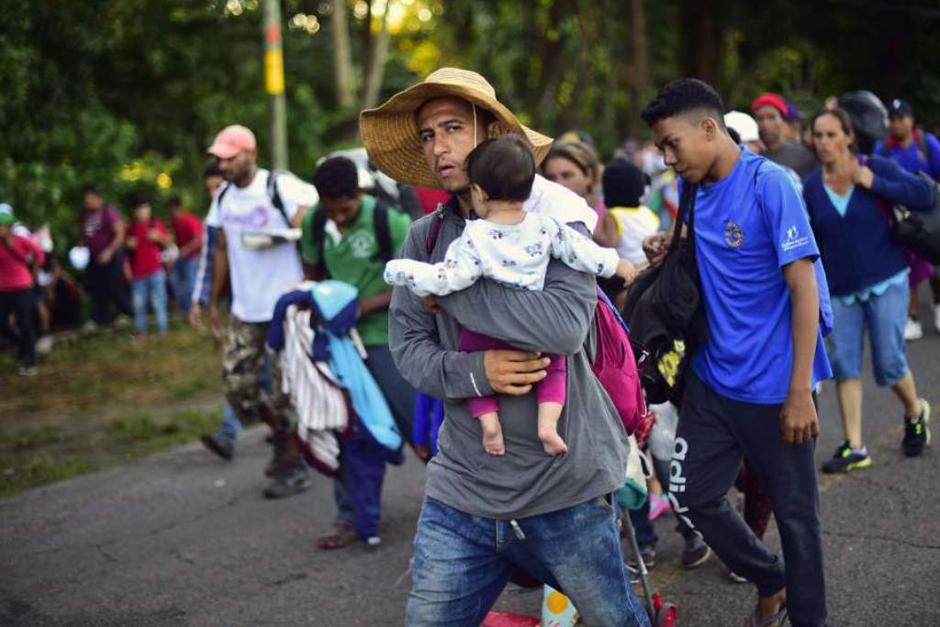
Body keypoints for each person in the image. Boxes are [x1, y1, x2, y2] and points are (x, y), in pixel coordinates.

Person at [361, 67, 649, 626]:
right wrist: (477, 371)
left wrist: (449, 294)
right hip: (462, 492)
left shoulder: (553, 223)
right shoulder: (425, 237)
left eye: (452, 128)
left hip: (565, 488)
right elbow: (409, 347)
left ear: (491, 133)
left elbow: (563, 328)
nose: (438, 147)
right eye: (427, 135)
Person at [642, 78, 832, 627]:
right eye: (661, 148)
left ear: (708, 128)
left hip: (775, 386)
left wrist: (799, 391)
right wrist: (671, 245)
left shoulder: (770, 184)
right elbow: (716, 253)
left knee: (797, 520)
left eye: (672, 143)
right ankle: (770, 578)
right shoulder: (695, 188)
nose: (668, 158)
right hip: (711, 379)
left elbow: (803, 287)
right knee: (691, 495)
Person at [386, 136, 637, 457]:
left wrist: (404, 271)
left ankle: (489, 424)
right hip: (537, 330)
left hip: (485, 333)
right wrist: (618, 264)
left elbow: (452, 277)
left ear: (479, 193)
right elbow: (585, 254)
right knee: (555, 368)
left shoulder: (472, 235)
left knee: (470, 354)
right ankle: (548, 425)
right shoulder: (547, 227)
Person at [803, 107, 932, 473]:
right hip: (840, 289)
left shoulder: (875, 166)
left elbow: (923, 193)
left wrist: (873, 182)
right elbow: (813, 241)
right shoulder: (811, 187)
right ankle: (856, 447)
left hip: (886, 278)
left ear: (848, 137)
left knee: (889, 362)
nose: (823, 142)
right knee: (844, 366)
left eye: (831, 135)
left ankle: (915, 411)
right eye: (818, 135)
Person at [300, 155, 416, 549]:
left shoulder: (389, 222)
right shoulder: (314, 223)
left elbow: (412, 282)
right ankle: (349, 515)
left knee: (414, 422)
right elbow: (312, 277)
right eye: (330, 210)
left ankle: (466, 508)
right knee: (346, 428)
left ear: (360, 194)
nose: (339, 218)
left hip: (385, 336)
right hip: (340, 344)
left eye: (346, 210)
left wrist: (365, 306)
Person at [204, 124, 318, 497]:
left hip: (284, 306)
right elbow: (221, 248)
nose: (223, 165)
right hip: (245, 309)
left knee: (285, 390)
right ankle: (284, 438)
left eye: (230, 158)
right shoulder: (223, 197)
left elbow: (313, 224)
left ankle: (294, 463)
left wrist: (297, 243)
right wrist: (212, 299)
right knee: (238, 386)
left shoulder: (278, 186)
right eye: (219, 159)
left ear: (251, 154)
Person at [872, 98, 940, 340]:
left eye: (901, 118)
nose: (897, 123)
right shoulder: (883, 149)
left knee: (936, 267)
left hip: (931, 214)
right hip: (902, 219)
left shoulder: (926, 144)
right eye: (892, 119)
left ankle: (938, 304)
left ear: (911, 119)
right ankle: (912, 317)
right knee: (910, 270)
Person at [542, 139, 621, 248]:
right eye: (551, 178)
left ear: (589, 175)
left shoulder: (611, 215)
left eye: (567, 175)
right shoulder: (539, 216)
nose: (559, 184)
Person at [0, 207, 45, 375]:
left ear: (8, 227)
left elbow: (39, 254)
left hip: (22, 287)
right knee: (2, 323)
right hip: (3, 289)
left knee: (25, 323)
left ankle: (31, 361)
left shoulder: (20, 240)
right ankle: (22, 345)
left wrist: (34, 273)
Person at [81, 185, 133, 326]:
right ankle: (99, 319)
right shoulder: (86, 215)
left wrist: (109, 252)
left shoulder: (108, 212)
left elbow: (120, 234)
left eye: (90, 198)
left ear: (98, 198)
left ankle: (127, 312)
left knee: (114, 286)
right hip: (95, 256)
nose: (87, 201)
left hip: (112, 255)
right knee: (97, 288)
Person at [125, 194, 170, 340]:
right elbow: (125, 253)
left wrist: (159, 237)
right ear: (134, 212)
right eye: (141, 209)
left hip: (156, 271)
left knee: (159, 303)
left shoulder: (155, 225)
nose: (145, 212)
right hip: (138, 274)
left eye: (147, 208)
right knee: (139, 306)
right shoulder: (130, 229)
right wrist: (128, 245)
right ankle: (141, 334)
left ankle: (163, 333)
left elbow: (168, 243)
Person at [752, 92, 817, 179]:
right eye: (760, 118)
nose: (765, 124)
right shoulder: (752, 158)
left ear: (783, 120)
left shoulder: (803, 156)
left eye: (771, 117)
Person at [167, 195, 203, 315]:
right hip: (181, 257)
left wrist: (186, 250)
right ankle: (185, 309)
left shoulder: (189, 220)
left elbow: (198, 240)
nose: (172, 213)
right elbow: (172, 238)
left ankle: (193, 309)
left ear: (179, 208)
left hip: (193, 256)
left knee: (191, 283)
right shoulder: (173, 222)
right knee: (175, 281)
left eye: (173, 209)